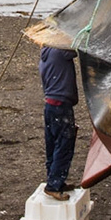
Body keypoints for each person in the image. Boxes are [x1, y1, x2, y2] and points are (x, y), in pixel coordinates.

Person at [40, 46, 77, 200]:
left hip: (50, 106)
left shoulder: (46, 54)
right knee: (64, 145)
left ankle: (54, 179)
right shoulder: (61, 53)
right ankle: (54, 184)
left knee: (53, 144)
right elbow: (78, 49)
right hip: (61, 106)